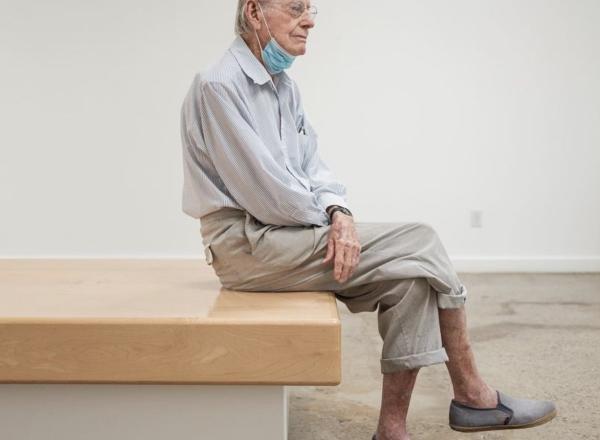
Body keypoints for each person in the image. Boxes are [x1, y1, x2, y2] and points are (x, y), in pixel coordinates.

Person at [179, 1, 557, 439]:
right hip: (245, 245)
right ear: (253, 12)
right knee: (421, 239)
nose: (309, 19)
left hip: (287, 236)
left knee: (412, 282)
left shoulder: (284, 88)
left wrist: (339, 211)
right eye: (295, 7)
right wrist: (333, 221)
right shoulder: (218, 86)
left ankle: (391, 431)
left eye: (311, 8)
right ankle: (472, 392)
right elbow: (268, 194)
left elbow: (314, 167)